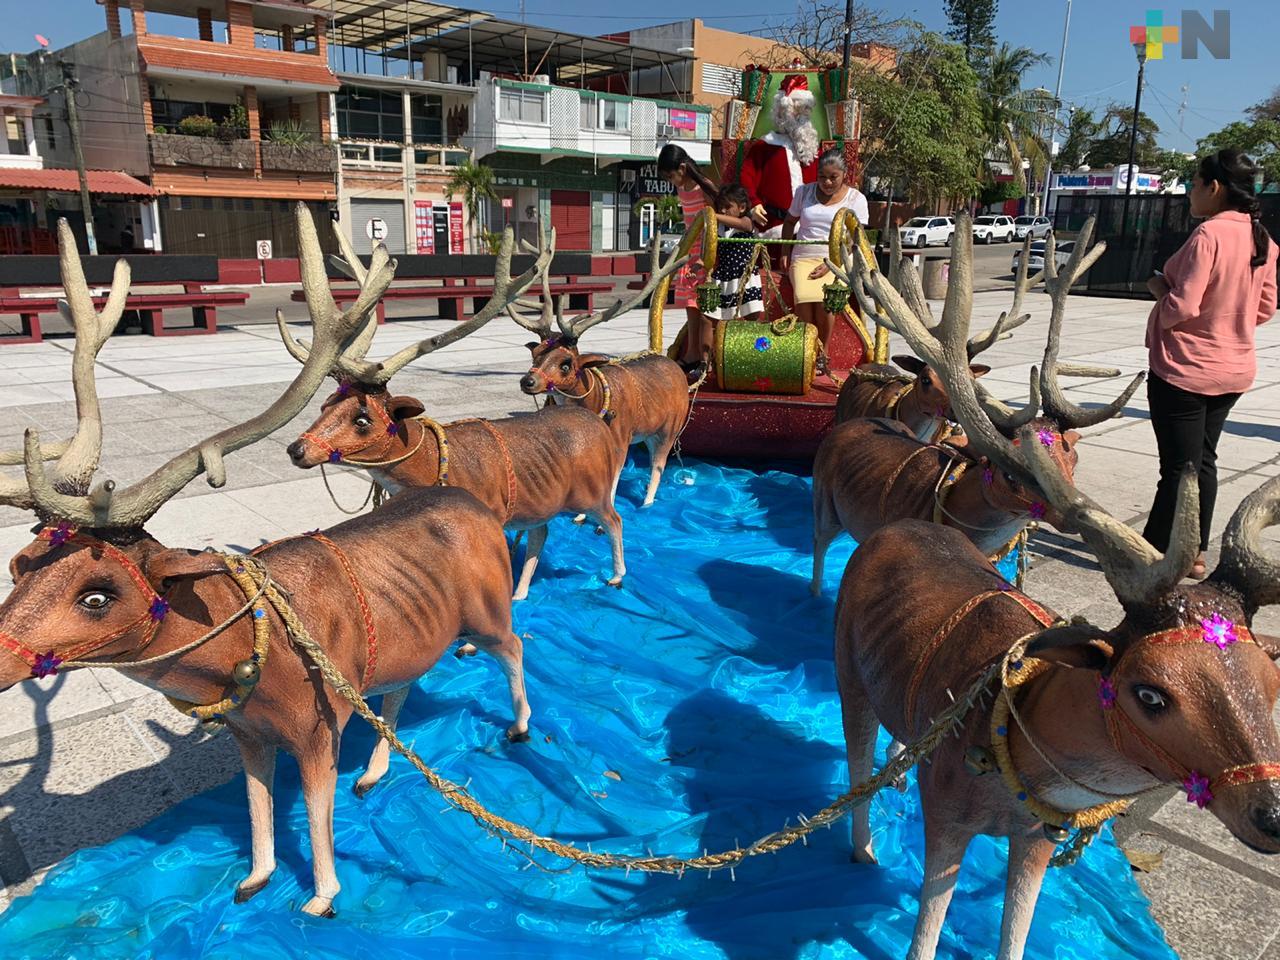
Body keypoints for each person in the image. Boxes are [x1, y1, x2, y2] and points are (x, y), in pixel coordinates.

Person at [1143, 148, 1278, 578]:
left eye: (1194, 184)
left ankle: (1156, 552)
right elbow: (1266, 308)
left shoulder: (1209, 236)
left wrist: (1159, 291)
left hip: (1187, 369)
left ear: (1214, 187)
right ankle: (1195, 552)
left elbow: (1183, 305)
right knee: (1202, 462)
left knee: (1177, 471)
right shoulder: (1263, 240)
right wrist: (1228, 317)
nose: (1189, 193)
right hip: (1233, 368)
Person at [778, 147, 869, 350]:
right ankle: (807, 349)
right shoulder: (804, 192)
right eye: (822, 177)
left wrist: (832, 264)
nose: (827, 182)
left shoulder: (856, 199)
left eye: (833, 177)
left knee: (825, 301)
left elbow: (856, 238)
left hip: (837, 260)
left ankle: (823, 351)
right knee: (802, 298)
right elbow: (790, 222)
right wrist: (785, 251)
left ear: (844, 175)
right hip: (803, 256)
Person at [657, 143, 719, 374]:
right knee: (689, 304)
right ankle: (692, 352)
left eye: (671, 175)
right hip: (689, 252)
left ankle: (705, 357)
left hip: (705, 252)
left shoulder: (704, 187)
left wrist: (709, 256)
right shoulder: (682, 189)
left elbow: (715, 222)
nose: (671, 181)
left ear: (682, 168)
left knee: (704, 306)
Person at [740, 70, 822, 238]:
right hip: (773, 227)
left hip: (809, 230)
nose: (801, 116)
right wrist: (753, 204)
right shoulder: (764, 147)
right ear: (781, 113)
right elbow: (746, 178)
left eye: (805, 111)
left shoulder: (813, 150)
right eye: (797, 111)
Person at [709, 183, 764, 323]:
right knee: (719, 316)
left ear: (742, 208)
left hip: (743, 275)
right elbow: (712, 252)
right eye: (720, 207)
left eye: (727, 207)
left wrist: (712, 215)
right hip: (724, 276)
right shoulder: (719, 229)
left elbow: (744, 225)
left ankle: (754, 343)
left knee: (751, 315)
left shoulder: (746, 221)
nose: (722, 210)